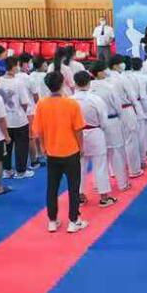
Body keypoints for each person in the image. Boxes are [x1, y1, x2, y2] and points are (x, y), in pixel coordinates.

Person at [32, 71, 88, 233]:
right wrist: (81, 147)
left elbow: (39, 130)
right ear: (62, 84)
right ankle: (74, 220)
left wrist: (43, 147)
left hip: (52, 152)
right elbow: (78, 129)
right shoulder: (71, 104)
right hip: (70, 151)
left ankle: (52, 220)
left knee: (52, 187)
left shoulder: (41, 104)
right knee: (73, 187)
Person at [72, 71, 117, 208]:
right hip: (95, 132)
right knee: (100, 166)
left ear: (75, 83)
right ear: (89, 83)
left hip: (76, 135)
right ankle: (104, 198)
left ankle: (80, 197)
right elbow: (104, 121)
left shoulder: (69, 100)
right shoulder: (96, 99)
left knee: (79, 167)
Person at [89, 61, 130, 192]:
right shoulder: (109, 87)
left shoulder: (89, 87)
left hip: (95, 125)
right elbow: (118, 106)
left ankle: (98, 184)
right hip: (111, 121)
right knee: (117, 153)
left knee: (99, 157)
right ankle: (122, 183)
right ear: (100, 72)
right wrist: (121, 118)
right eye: (104, 69)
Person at [0, 57, 32, 180]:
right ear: (13, 67)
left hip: (4, 119)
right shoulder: (18, 82)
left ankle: (7, 170)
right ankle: (20, 171)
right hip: (19, 120)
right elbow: (24, 102)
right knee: (21, 146)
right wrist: (21, 111)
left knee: (6, 146)